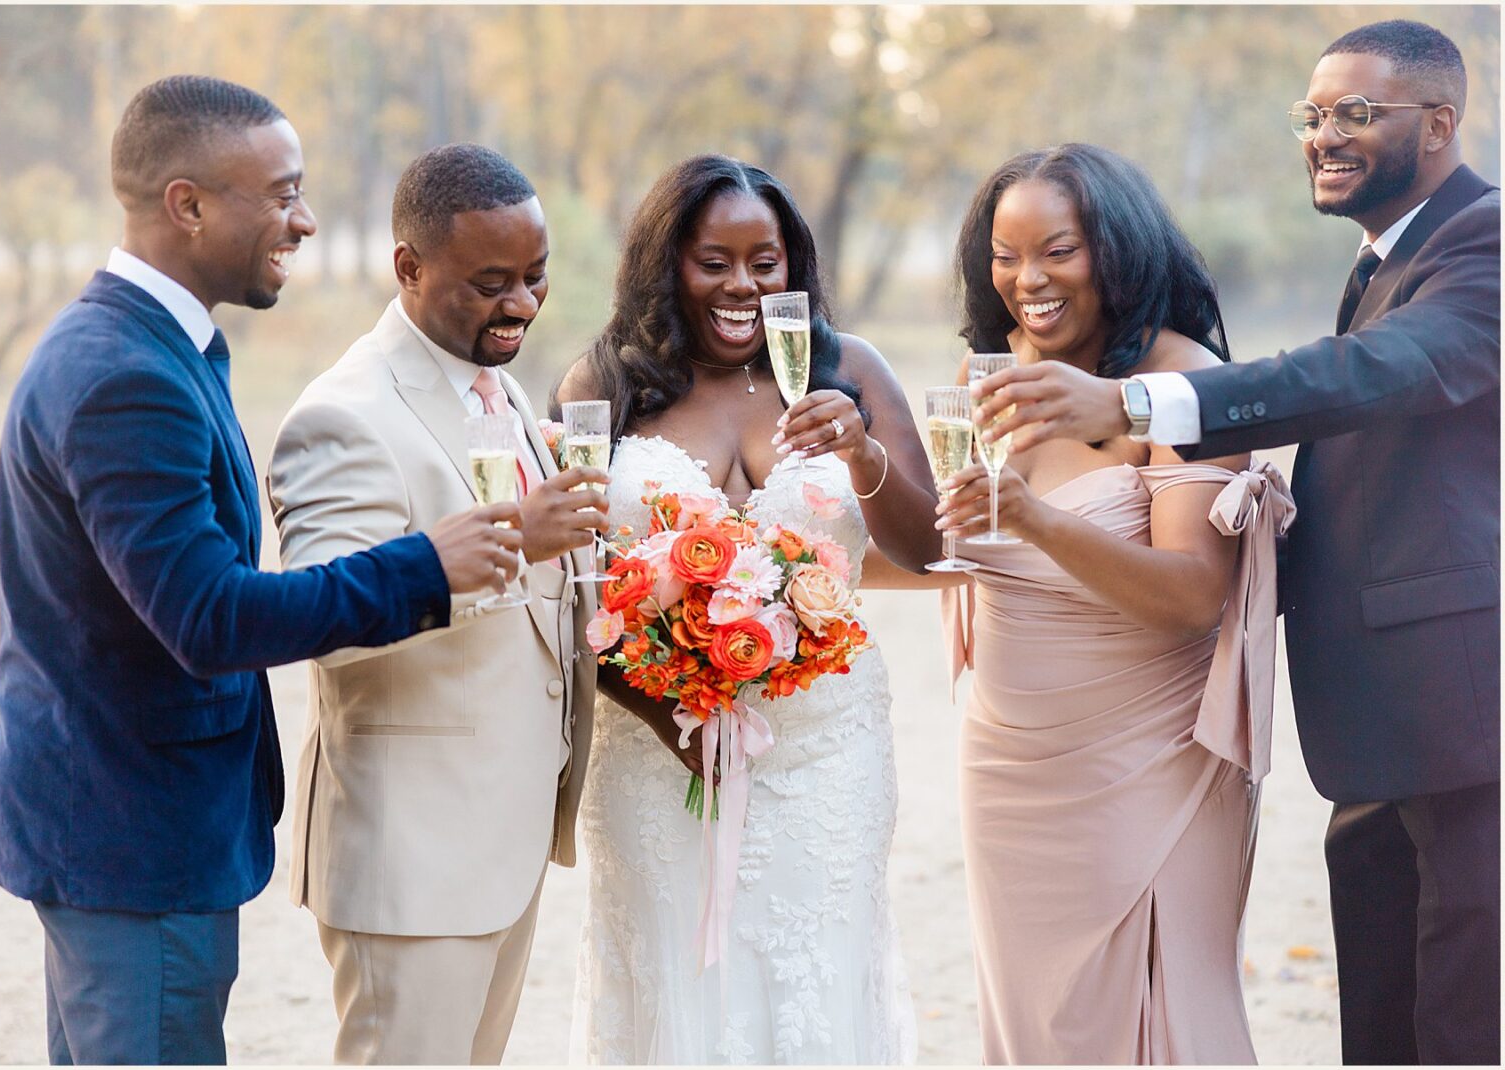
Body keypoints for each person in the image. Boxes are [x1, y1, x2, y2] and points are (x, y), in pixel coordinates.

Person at [971, 22, 1498, 1065]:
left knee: (1456, 1021)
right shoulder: (1389, 257)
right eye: (1313, 114)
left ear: (1440, 123)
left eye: (1357, 113)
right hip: (1380, 717)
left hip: (1457, 708)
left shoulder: (1485, 242)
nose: (1324, 135)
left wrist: (1138, 402)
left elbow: (1373, 374)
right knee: (1388, 1019)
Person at [0, 78, 523, 1066]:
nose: (304, 221)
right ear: (187, 204)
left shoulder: (160, 345)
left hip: (131, 824)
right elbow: (211, 618)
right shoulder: (124, 375)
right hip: (134, 833)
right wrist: (428, 566)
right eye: (281, 194)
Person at [555, 154, 941, 1063]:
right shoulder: (603, 385)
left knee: (817, 984)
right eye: (713, 262)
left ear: (793, 266)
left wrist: (862, 454)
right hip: (659, 760)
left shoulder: (849, 370)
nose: (742, 285)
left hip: (827, 755)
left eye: (764, 262)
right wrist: (669, 720)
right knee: (677, 993)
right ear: (667, 265)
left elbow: (928, 547)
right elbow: (574, 596)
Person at [934, 142, 1294, 1063]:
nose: (1028, 280)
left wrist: (1031, 518)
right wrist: (862, 464)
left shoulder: (1184, 384)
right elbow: (939, 546)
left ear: (1119, 252)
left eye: (1057, 250)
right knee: (1038, 1025)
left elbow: (1194, 596)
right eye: (1005, 256)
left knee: (1161, 1013)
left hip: (1146, 760)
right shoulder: (987, 375)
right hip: (1008, 763)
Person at [266, 144, 608, 1065]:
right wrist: (515, 542)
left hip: (502, 841)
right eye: (490, 283)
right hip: (412, 860)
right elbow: (323, 624)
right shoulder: (345, 415)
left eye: (536, 276)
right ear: (408, 268)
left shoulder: (498, 388)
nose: (522, 304)